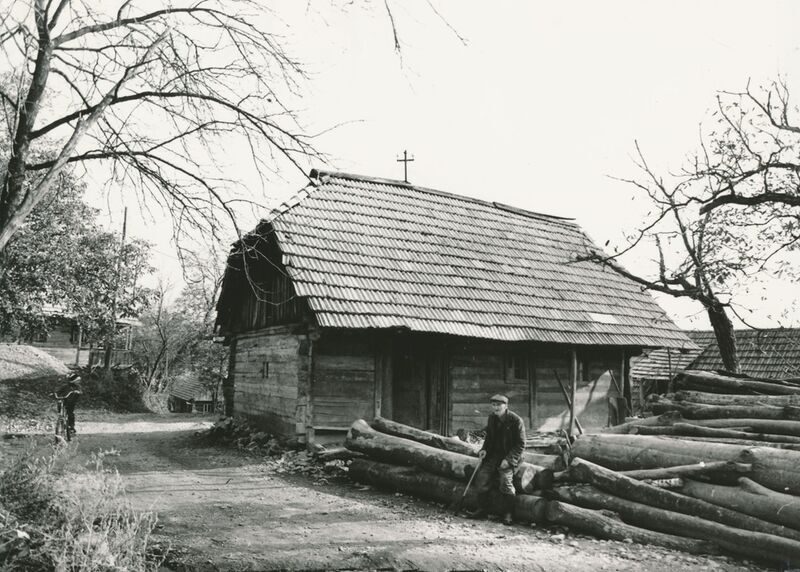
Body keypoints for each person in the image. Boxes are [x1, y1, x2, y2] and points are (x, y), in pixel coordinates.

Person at [466, 394, 526, 525]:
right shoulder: (492, 418)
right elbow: (489, 438)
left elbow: (521, 444)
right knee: (482, 477)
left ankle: (508, 513)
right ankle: (482, 509)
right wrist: (484, 449)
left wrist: (509, 460)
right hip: (494, 455)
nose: (496, 407)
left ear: (506, 406)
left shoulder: (516, 420)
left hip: (510, 456)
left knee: (505, 481)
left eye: (499, 405)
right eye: (493, 405)